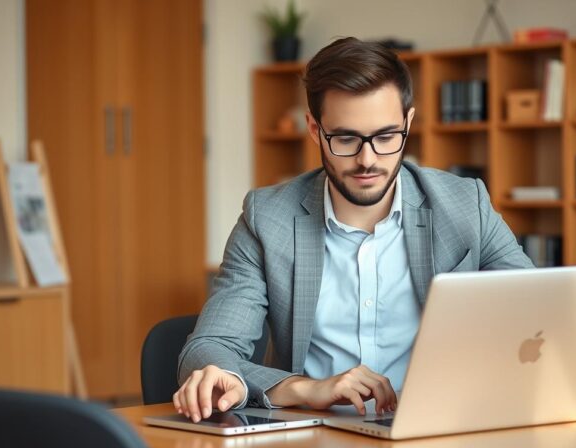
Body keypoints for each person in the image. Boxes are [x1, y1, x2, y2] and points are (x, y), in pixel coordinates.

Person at [174, 37, 533, 423]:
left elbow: (539, 310)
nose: (367, 159)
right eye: (345, 138)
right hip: (314, 437)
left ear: (408, 124)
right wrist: (307, 388)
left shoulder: (465, 205)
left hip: (443, 429)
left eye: (385, 137)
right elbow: (209, 348)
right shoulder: (268, 218)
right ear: (315, 129)